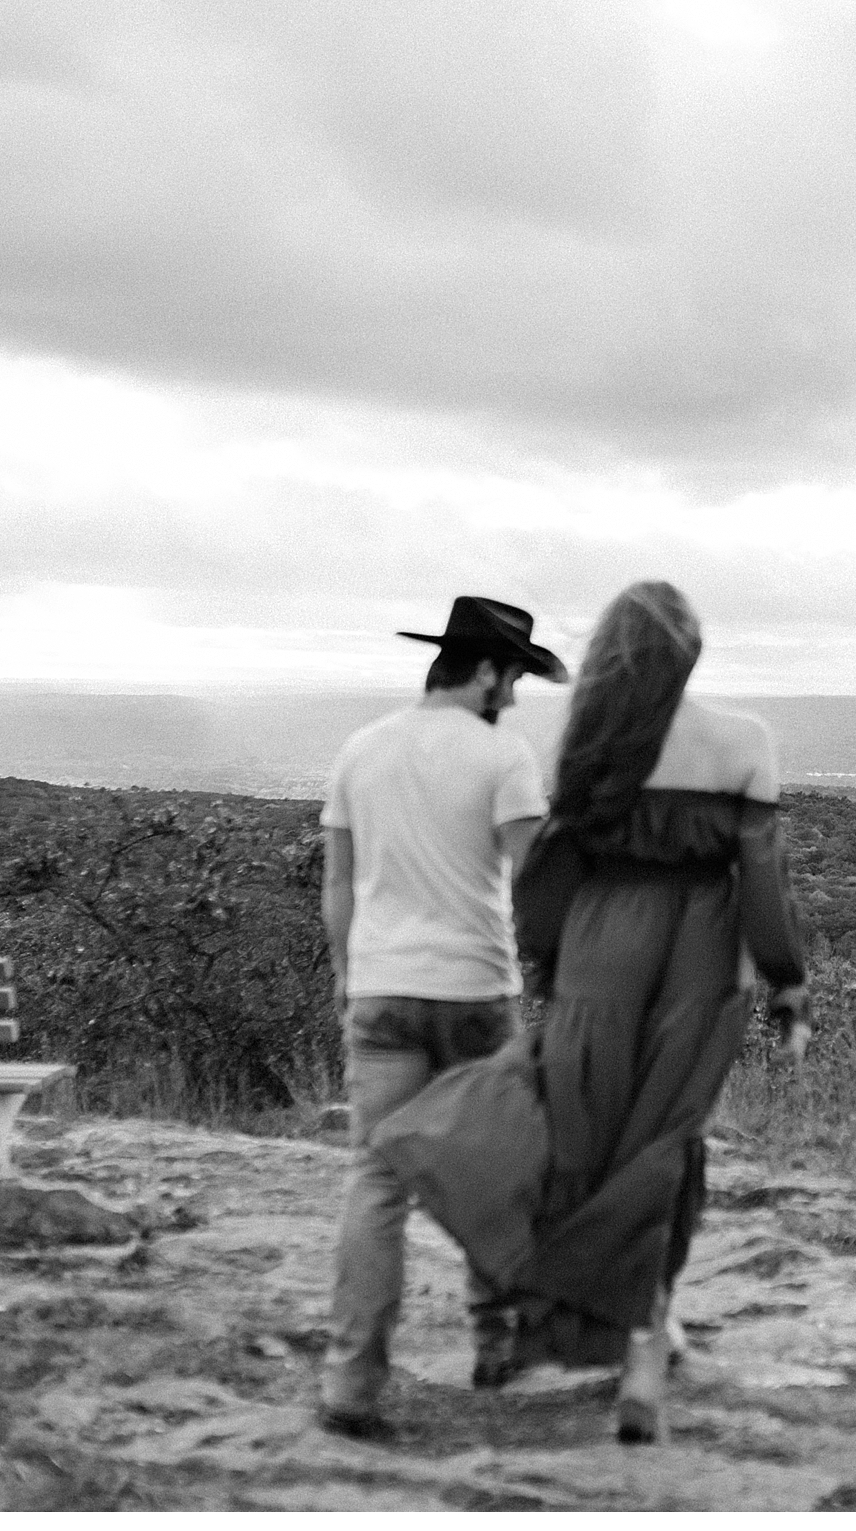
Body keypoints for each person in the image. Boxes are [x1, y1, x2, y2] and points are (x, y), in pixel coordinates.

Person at [370, 579, 812, 1444]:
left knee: (587, 1135)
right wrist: (788, 981)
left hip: (600, 943)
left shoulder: (587, 738)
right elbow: (761, 879)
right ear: (689, 653)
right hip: (700, 949)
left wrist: (542, 959)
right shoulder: (744, 739)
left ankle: (560, 1311)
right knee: (664, 1138)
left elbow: (551, 874)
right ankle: (644, 1345)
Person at [316, 595, 570, 1440]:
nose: (518, 697)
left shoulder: (361, 749)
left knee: (377, 1179)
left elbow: (339, 888)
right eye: (516, 678)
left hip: (381, 990)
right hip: (473, 990)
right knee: (495, 1169)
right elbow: (534, 886)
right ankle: (497, 1349)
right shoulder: (503, 756)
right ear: (489, 671)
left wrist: (352, 978)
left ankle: (351, 1387)